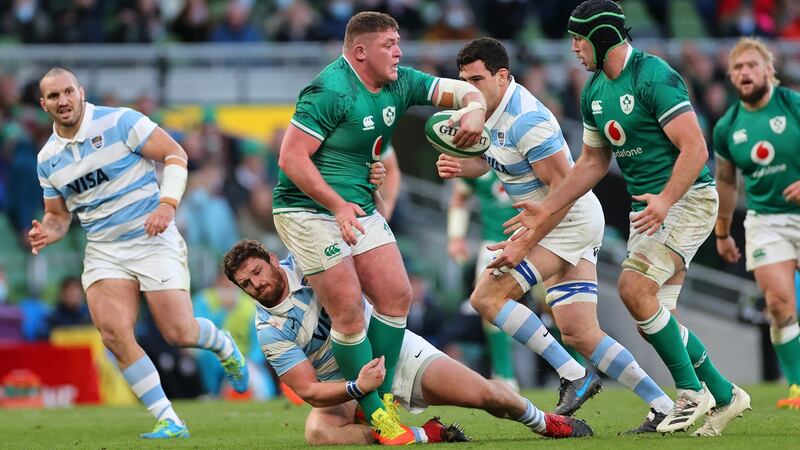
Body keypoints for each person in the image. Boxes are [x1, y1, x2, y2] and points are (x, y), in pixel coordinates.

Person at [503, 0, 750, 435]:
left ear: (601, 38)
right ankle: (726, 395)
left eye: (579, 39)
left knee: (634, 289)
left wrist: (665, 200)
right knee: (656, 317)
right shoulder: (594, 91)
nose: (574, 49)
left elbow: (695, 149)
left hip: (687, 198)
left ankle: (690, 397)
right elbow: (593, 162)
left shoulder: (655, 75)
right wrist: (549, 204)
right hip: (649, 210)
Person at [436, 37, 672, 433]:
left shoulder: (527, 120)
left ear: (502, 76)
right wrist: (464, 168)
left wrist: (526, 243)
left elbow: (565, 190)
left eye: (476, 79)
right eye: (463, 80)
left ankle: (574, 375)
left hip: (567, 220)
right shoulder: (486, 110)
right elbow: (493, 161)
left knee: (487, 297)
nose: (468, 89)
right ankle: (663, 404)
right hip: (554, 222)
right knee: (579, 331)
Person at [272, 11, 488, 444]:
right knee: (349, 311)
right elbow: (290, 160)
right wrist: (336, 205)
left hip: (355, 205)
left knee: (396, 296)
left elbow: (458, 89)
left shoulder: (400, 82)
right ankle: (378, 417)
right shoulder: (328, 90)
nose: (399, 51)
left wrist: (476, 109)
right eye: (389, 43)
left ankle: (382, 401)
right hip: (307, 210)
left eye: (399, 41)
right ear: (360, 51)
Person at [30, 68, 249, 439]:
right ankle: (168, 418)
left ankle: (223, 345)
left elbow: (175, 154)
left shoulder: (120, 122)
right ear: (43, 104)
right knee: (114, 334)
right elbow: (58, 216)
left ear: (81, 92)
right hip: (104, 251)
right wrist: (47, 231)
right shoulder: (47, 158)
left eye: (68, 92)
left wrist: (167, 204)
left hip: (152, 239)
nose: (63, 101)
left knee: (179, 332)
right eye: (54, 96)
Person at [222, 239, 593, 445]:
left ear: (272, 260)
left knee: (488, 396)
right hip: (349, 388)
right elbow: (308, 390)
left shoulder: (310, 262)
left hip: (394, 355)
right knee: (318, 432)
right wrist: (356, 387)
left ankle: (546, 422)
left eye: (257, 272)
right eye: (246, 284)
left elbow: (362, 246)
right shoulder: (268, 328)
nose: (257, 285)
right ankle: (426, 434)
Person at [713, 37, 800, 410]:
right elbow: (727, 181)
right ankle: (798, 387)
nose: (745, 72)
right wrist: (722, 231)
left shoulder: (793, 105)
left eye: (751, 65)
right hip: (766, 220)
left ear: (769, 70)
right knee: (779, 303)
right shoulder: (727, 126)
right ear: (732, 77)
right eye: (738, 68)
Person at [446, 171, 519, 390]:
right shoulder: (476, 156)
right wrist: (456, 237)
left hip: (536, 237)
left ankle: (575, 371)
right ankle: (505, 375)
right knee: (487, 302)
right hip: (493, 243)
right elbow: (460, 195)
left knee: (551, 301)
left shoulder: (525, 146)